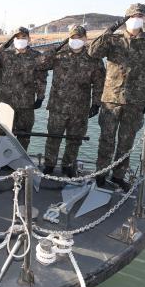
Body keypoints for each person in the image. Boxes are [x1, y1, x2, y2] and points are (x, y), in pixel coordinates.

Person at [89, 3, 145, 190]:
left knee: (126, 141)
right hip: (111, 99)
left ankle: (118, 176)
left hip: (135, 101)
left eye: (140, 15)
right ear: (126, 19)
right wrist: (110, 29)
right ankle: (101, 174)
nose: (136, 18)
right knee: (106, 139)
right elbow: (92, 51)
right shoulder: (113, 40)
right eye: (132, 16)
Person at [37, 25, 105, 177]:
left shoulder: (93, 58)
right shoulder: (58, 55)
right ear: (68, 38)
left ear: (85, 38)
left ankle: (68, 166)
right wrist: (52, 50)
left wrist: (96, 103)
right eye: (73, 37)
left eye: (79, 37)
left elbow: (99, 83)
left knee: (74, 140)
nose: (76, 40)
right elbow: (40, 65)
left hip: (80, 109)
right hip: (57, 107)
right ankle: (49, 165)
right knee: (53, 138)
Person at [0, 27, 47, 150]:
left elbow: (41, 78)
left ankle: (21, 160)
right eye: (17, 37)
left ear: (29, 39)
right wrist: (5, 44)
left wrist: (40, 97)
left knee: (24, 135)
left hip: (26, 103)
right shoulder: (6, 54)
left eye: (23, 37)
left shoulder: (37, 56)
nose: (20, 40)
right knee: (4, 133)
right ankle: (4, 161)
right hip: (6, 102)